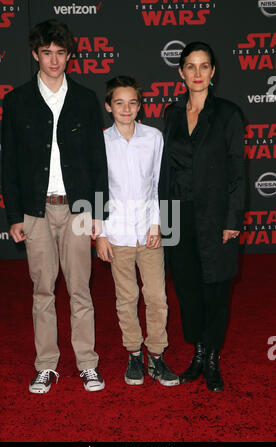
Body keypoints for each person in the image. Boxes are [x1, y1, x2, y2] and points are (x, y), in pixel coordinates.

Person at [1, 19, 109, 394]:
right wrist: (14, 215)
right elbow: (9, 163)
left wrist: (98, 212)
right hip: (35, 211)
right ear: (35, 54)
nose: (53, 60)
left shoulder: (84, 99)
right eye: (46, 52)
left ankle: (87, 364)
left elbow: (98, 159)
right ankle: (46, 365)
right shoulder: (16, 101)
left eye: (60, 53)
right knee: (42, 290)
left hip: (79, 210)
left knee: (81, 289)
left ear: (69, 56)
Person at [158, 42, 245, 392]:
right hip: (178, 215)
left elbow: (238, 169)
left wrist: (232, 220)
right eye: (190, 67)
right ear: (180, 73)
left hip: (215, 216)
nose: (197, 73)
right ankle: (197, 351)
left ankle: (212, 358)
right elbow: (165, 170)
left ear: (213, 72)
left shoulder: (228, 114)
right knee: (187, 287)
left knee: (216, 288)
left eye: (203, 66)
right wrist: (163, 218)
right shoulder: (171, 114)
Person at [96, 76, 179, 387]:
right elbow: (97, 189)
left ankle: (156, 356)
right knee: (126, 297)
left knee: (157, 296)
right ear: (109, 106)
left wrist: (160, 224)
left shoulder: (154, 137)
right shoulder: (100, 141)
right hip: (116, 233)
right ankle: (133, 354)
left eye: (132, 102)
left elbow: (162, 184)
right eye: (119, 102)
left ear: (140, 105)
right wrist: (99, 234)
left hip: (149, 232)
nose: (126, 108)